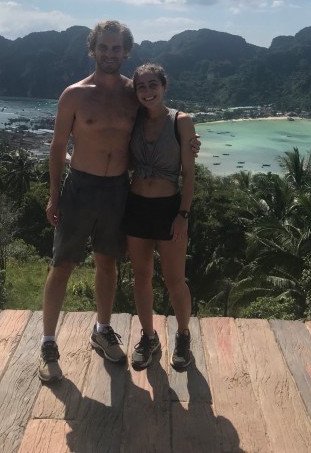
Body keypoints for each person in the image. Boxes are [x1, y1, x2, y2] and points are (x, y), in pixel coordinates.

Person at [39, 21, 199, 383]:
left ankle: (102, 329)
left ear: (126, 52)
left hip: (118, 190)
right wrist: (53, 196)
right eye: (103, 47)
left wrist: (190, 139)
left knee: (107, 263)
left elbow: (162, 118)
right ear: (92, 49)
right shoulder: (74, 95)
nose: (109, 54)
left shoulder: (134, 94)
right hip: (80, 187)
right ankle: (48, 344)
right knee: (62, 263)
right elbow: (58, 147)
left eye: (116, 48)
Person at [124, 63, 195, 370]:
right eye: (141, 86)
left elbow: (189, 174)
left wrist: (183, 215)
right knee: (141, 276)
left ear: (164, 86)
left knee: (174, 279)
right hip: (136, 205)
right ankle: (149, 336)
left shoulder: (181, 121)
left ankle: (183, 335)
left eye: (153, 84)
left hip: (169, 208)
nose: (147, 91)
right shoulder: (134, 119)